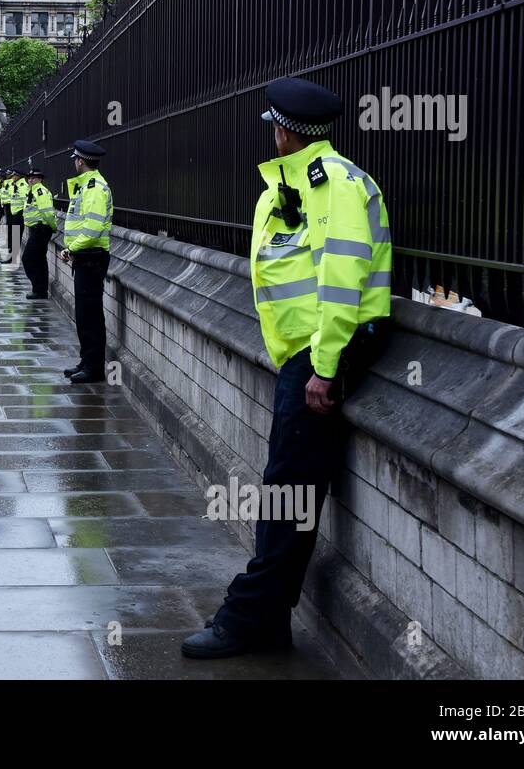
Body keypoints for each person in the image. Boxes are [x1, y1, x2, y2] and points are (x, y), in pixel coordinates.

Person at [181, 77, 393, 660]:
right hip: (303, 353)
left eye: (273, 124)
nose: (271, 133)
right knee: (285, 489)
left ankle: (250, 617)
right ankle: (265, 619)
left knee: (287, 492)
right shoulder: (297, 184)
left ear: (286, 129)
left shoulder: (337, 187)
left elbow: (341, 281)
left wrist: (324, 368)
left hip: (323, 354)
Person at [59, 141, 113, 385]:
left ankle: (94, 368)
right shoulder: (86, 187)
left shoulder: (95, 189)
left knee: (90, 314)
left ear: (81, 161)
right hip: (85, 257)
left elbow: (92, 229)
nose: (74, 162)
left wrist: (71, 248)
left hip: (91, 257)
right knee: (84, 313)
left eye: (75, 159)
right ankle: (86, 361)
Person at [21, 168, 57, 300]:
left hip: (40, 229)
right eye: (29, 177)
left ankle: (39, 288)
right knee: (40, 260)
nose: (30, 180)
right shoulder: (32, 191)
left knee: (27, 259)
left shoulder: (40, 192)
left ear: (40, 179)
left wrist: (52, 227)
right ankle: (40, 290)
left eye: (34, 178)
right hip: (35, 229)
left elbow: (47, 212)